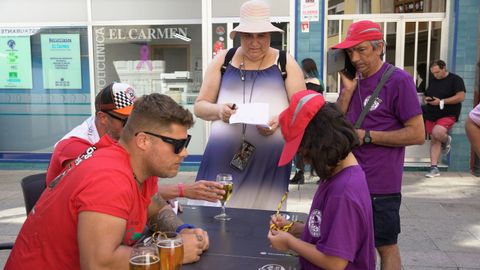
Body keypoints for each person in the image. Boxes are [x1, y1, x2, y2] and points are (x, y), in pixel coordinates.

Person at [5, 94, 211, 269]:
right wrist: (174, 251)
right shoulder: (109, 178)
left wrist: (181, 231)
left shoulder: (138, 166)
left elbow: (155, 207)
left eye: (186, 142)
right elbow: (98, 263)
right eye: (177, 144)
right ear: (143, 141)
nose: (184, 152)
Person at [193, 0, 305, 210]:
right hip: (221, 160)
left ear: (270, 35)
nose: (255, 42)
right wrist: (219, 110)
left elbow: (303, 109)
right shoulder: (223, 59)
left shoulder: (284, 62)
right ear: (239, 36)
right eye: (248, 36)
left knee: (261, 226)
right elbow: (199, 106)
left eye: (261, 35)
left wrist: (279, 121)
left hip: (268, 165)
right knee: (213, 221)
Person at [334, 20, 425, 270]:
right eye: (350, 52)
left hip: (381, 184)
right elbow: (338, 128)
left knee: (385, 245)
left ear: (379, 47)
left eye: (361, 50)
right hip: (348, 179)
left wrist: (367, 136)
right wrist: (347, 93)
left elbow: (418, 134)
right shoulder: (351, 82)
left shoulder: (399, 80)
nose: (354, 58)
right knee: (350, 245)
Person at [46, 82, 225, 202]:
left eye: (136, 119)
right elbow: (123, 193)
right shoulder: (75, 146)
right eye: (126, 121)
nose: (134, 125)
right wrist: (183, 190)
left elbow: (145, 191)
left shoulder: (123, 139)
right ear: (102, 118)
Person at [268, 90, 375, 269]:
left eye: (304, 152)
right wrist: (294, 228)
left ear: (319, 143)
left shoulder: (343, 192)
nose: (306, 161)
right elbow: (331, 231)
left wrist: (289, 243)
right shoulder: (338, 175)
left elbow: (335, 262)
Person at [423, 60, 466, 178]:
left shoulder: (456, 79)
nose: (435, 75)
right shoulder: (433, 81)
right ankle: (434, 168)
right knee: (435, 139)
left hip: (448, 113)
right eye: (433, 73)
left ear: (444, 68)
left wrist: (441, 101)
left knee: (438, 133)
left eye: (437, 72)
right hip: (432, 114)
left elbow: (461, 97)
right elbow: (427, 94)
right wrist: (427, 99)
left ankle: (446, 140)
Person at [290, 58, 325, 185]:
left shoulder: (309, 83)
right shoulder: (319, 82)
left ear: (306, 69)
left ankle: (300, 174)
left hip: (306, 118)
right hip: (316, 118)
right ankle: (321, 174)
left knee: (300, 147)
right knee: (315, 147)